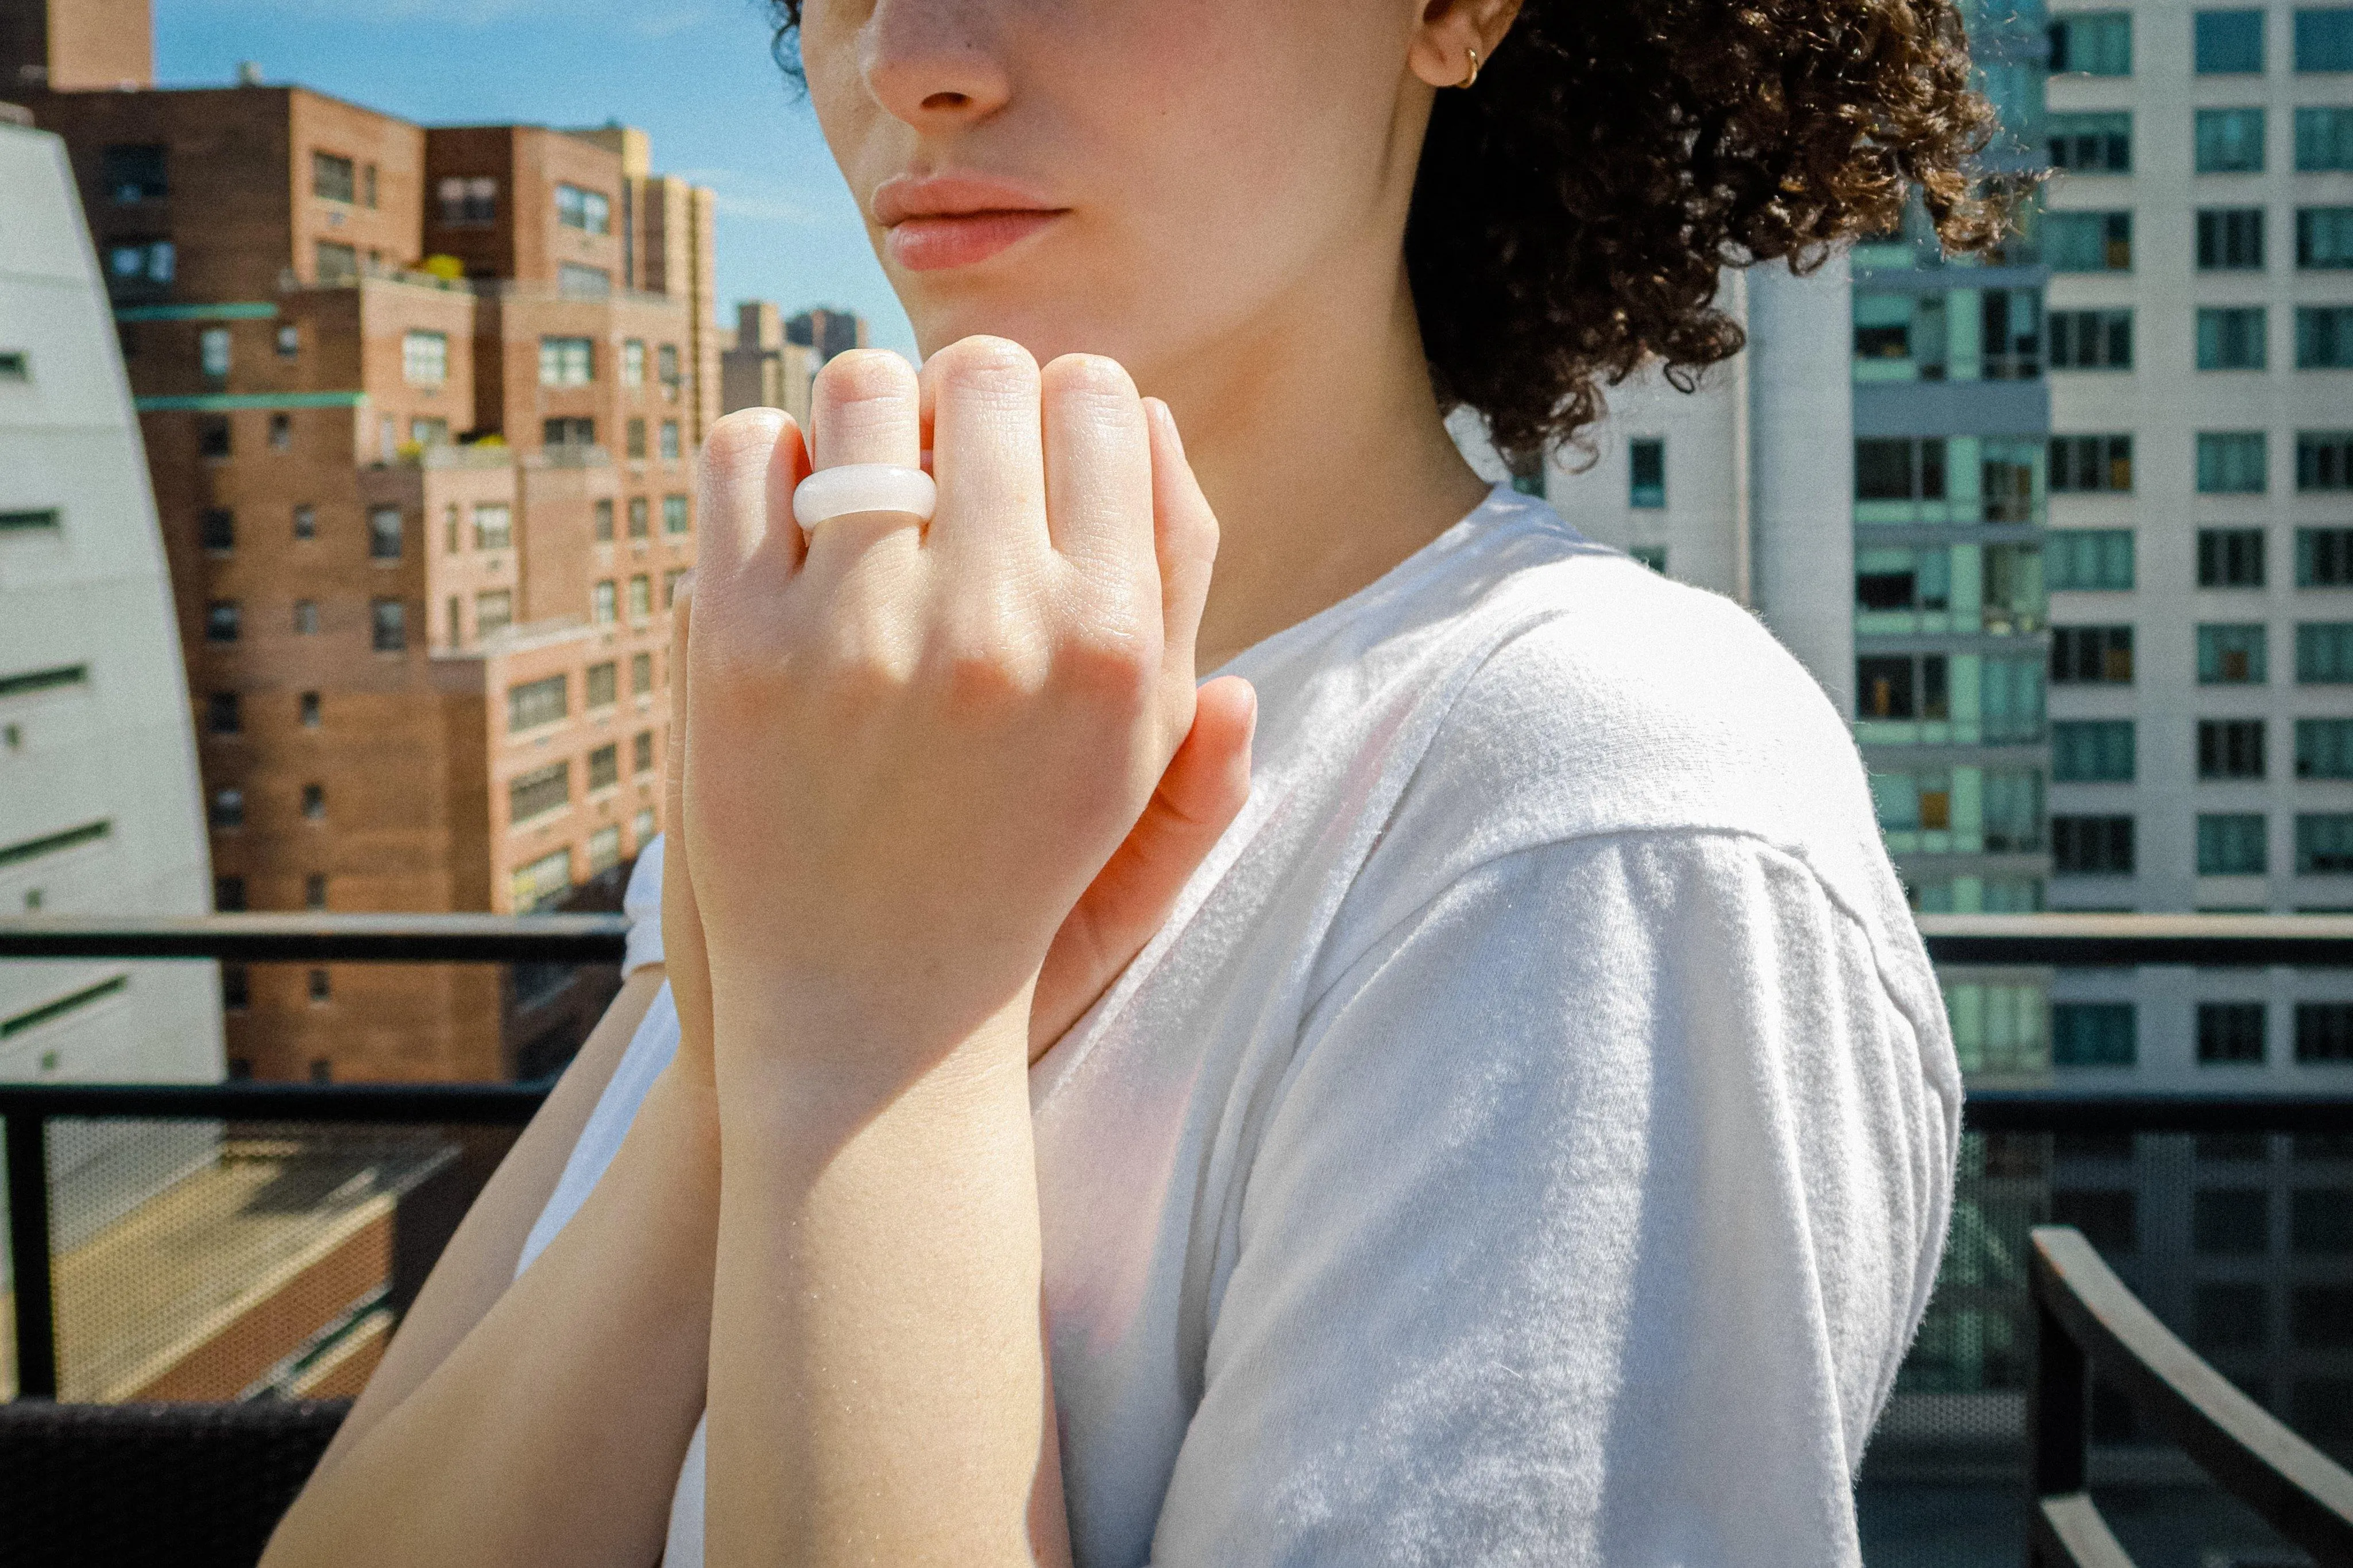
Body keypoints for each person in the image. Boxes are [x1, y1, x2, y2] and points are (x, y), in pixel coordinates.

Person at [264, 0, 2001, 1562]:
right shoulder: (849, 720)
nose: (907, 58)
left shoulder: (1597, 809)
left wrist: (882, 1044)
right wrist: (764, 1068)